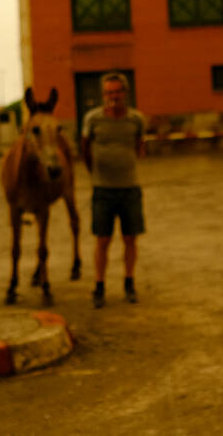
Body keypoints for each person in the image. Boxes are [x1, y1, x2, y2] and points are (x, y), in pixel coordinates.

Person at [81, 72, 146, 308]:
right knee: (103, 240)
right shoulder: (93, 119)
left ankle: (129, 283)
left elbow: (140, 146)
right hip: (103, 190)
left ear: (125, 93)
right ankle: (99, 286)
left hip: (130, 189)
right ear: (103, 95)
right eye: (109, 92)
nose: (113, 97)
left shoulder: (136, 119)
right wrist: (95, 173)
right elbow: (85, 148)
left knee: (130, 238)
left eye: (117, 92)